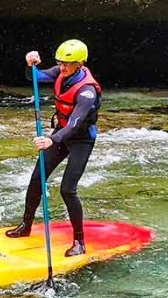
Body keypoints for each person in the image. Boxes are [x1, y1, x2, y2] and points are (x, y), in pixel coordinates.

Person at [6, 39, 101, 257]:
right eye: (60, 63)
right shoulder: (61, 71)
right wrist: (31, 64)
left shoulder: (87, 91)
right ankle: (25, 226)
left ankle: (79, 242)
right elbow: (35, 78)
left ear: (80, 63)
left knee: (68, 189)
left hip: (81, 140)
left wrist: (53, 139)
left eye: (68, 64)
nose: (63, 67)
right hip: (61, 134)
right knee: (37, 177)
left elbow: (76, 122)